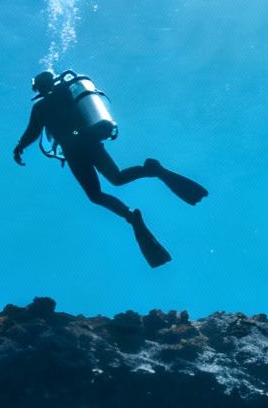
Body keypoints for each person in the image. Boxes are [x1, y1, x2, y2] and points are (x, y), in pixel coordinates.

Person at [12, 69, 207, 268]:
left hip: (74, 151)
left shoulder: (41, 107)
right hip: (89, 143)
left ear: (39, 87)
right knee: (116, 178)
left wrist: (19, 147)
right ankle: (151, 172)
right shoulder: (67, 90)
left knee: (97, 194)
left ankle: (130, 214)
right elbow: (35, 130)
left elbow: (32, 132)